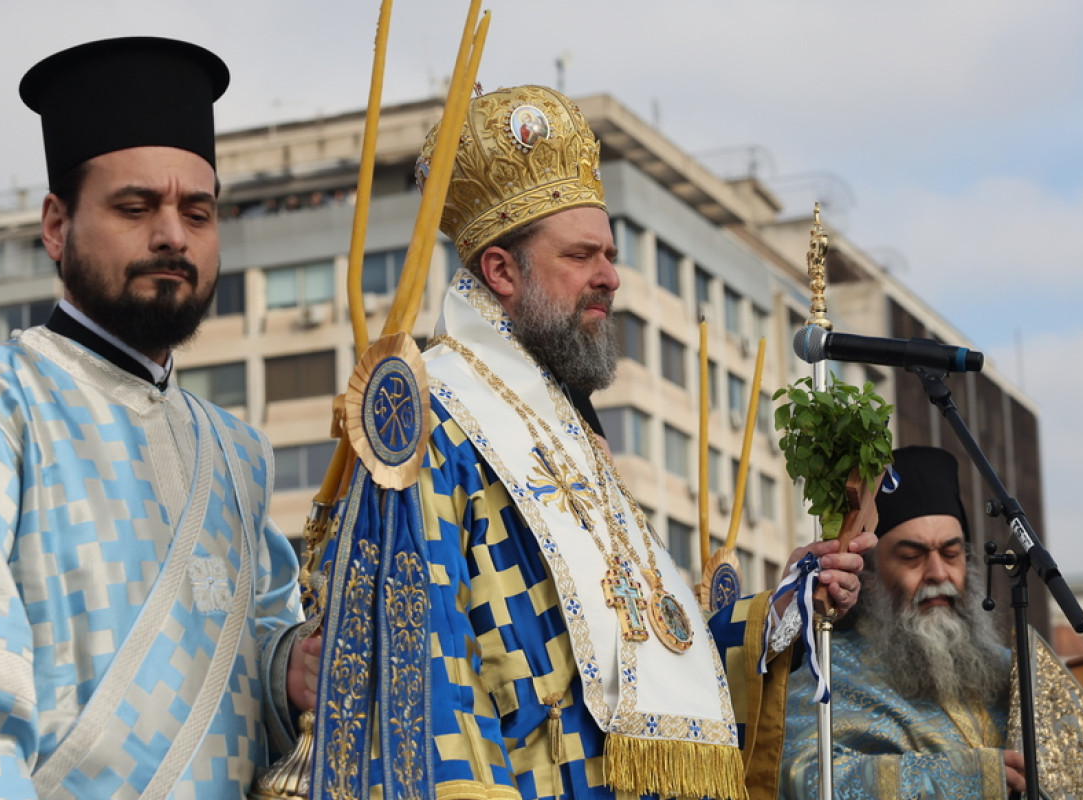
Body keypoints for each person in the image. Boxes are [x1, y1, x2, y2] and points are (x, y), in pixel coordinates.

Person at [305, 84, 872, 800]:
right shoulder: (434, 418)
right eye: (582, 256)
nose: (611, 277)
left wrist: (783, 609)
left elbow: (649, 655)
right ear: (501, 271)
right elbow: (424, 676)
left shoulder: (573, 433)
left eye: (609, 253)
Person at [0, 37, 314, 799]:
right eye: (135, 207)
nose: (172, 234)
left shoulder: (236, 453)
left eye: (196, 212)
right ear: (55, 225)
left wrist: (287, 672)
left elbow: (247, 675)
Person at [779, 446, 1083, 799]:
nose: (938, 573)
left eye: (951, 553)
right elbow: (805, 778)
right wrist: (967, 779)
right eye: (912, 556)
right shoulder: (828, 670)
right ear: (872, 577)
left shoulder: (1014, 670)